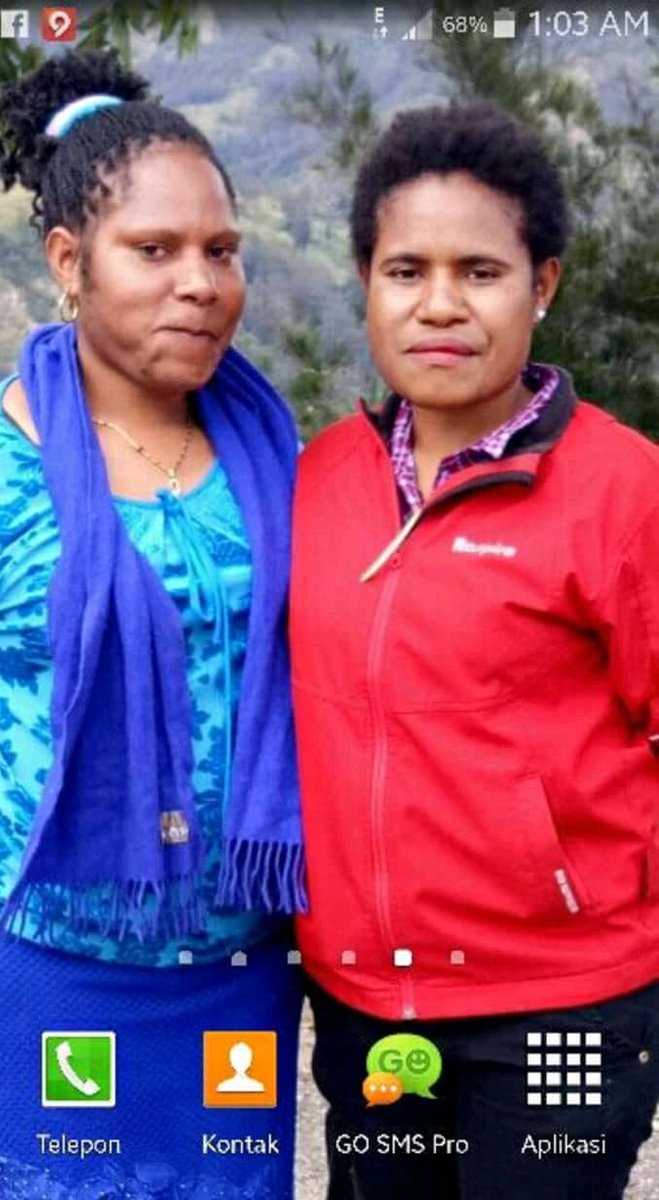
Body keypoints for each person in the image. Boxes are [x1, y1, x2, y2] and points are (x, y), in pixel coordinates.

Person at [290, 101, 659, 1199]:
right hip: (368, 1003)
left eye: (481, 272)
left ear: (541, 285)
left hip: (560, 1003)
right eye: (406, 270)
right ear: (365, 283)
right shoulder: (317, 481)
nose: (440, 304)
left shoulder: (625, 492)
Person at [0, 49, 305, 1199]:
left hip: (237, 978)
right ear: (69, 262)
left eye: (222, 250)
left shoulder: (281, 460)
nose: (200, 283)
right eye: (155, 250)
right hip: (41, 970)